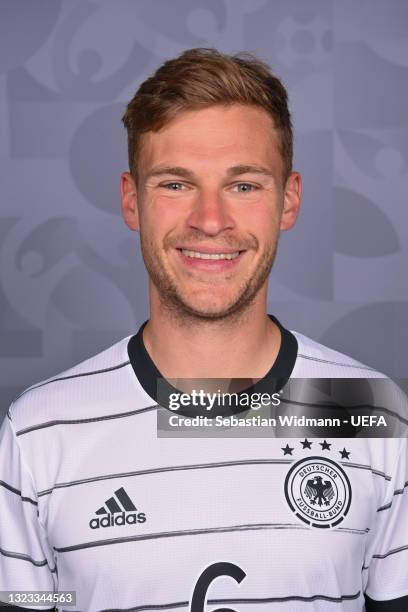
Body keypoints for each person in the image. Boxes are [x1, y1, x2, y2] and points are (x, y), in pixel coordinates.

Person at [0, 48, 407, 612]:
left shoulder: (370, 414)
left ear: (288, 201)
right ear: (131, 200)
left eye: (244, 185)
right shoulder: (40, 432)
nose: (210, 221)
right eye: (175, 184)